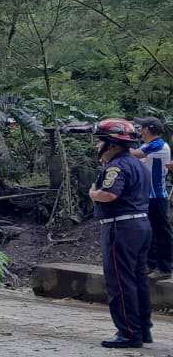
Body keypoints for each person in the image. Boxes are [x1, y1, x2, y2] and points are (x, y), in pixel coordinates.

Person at [90, 118, 151, 349]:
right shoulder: (137, 164)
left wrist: (94, 194)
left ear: (112, 144)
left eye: (100, 142)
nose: (98, 147)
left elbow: (109, 195)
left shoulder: (117, 166)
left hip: (121, 227)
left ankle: (128, 332)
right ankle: (143, 329)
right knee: (138, 279)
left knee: (119, 281)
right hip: (141, 226)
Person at [133, 117, 172, 279]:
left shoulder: (159, 144)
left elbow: (136, 154)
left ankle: (165, 267)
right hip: (147, 196)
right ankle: (151, 264)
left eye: (141, 127)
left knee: (161, 232)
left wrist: (116, 144)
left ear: (148, 129)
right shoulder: (148, 145)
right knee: (149, 232)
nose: (139, 130)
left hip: (157, 196)